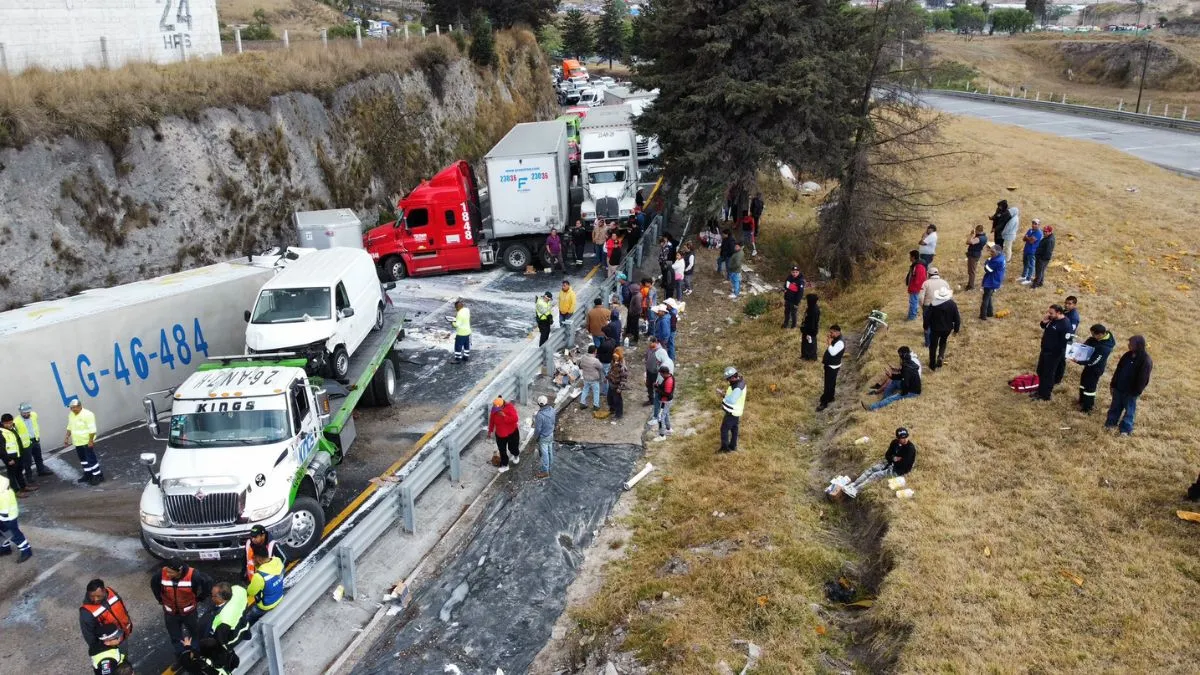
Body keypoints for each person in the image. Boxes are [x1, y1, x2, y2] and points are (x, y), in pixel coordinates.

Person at [152, 558, 214, 657]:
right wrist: (160, 599)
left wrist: (201, 597)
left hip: (189, 613)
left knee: (194, 634)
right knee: (175, 637)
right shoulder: (162, 573)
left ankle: (194, 654)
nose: (167, 574)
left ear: (179, 571)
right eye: (167, 571)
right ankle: (183, 656)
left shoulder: (194, 575)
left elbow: (208, 582)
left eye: (171, 573)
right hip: (170, 614)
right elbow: (154, 584)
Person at [841, 428, 917, 498]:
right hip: (890, 463)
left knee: (875, 475)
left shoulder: (910, 449)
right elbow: (887, 455)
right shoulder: (894, 443)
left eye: (906, 437)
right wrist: (894, 458)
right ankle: (854, 484)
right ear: (898, 438)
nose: (904, 439)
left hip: (898, 470)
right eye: (902, 438)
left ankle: (856, 490)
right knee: (871, 469)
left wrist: (894, 459)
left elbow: (903, 465)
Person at [1106, 335, 1152, 435]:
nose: (1128, 345)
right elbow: (1118, 370)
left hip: (1131, 392)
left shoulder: (1145, 360)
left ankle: (1125, 430)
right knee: (1115, 407)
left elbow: (1143, 379)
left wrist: (1136, 392)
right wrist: (1113, 384)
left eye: (1131, 344)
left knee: (1129, 412)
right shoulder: (1127, 355)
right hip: (1119, 388)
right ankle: (1110, 424)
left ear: (1138, 345)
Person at [80, 580, 134, 658]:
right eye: (92, 596)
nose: (95, 599)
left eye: (98, 596)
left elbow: (123, 610)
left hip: (122, 636)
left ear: (104, 591)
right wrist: (102, 648)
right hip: (109, 647)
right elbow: (89, 636)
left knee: (124, 658)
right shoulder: (86, 612)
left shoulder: (112, 593)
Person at [1074, 324, 1115, 413]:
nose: (1092, 336)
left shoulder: (1105, 348)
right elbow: (1089, 343)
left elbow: (1094, 361)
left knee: (1090, 387)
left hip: (1095, 369)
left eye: (1093, 335)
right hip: (1089, 366)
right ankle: (1082, 401)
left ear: (1100, 334)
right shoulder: (1097, 338)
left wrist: (1079, 361)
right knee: (1083, 382)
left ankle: (1087, 407)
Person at [1033, 304, 1072, 401]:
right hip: (1045, 350)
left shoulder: (1065, 325)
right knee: (1040, 371)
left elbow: (1066, 342)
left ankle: (1045, 395)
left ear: (1059, 313)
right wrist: (1044, 321)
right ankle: (1040, 390)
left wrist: (1056, 352)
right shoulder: (1052, 319)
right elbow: (1044, 326)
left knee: (1048, 374)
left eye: (1051, 313)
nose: (1048, 314)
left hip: (1054, 354)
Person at [66, 398, 103, 484]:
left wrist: (90, 441)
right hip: (78, 442)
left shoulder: (88, 414)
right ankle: (88, 474)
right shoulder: (71, 414)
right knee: (83, 460)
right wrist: (67, 437)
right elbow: (70, 426)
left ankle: (98, 476)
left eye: (74, 407)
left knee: (91, 459)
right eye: (71, 408)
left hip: (86, 442)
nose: (72, 409)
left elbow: (92, 430)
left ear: (80, 406)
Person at [245, 544, 284, 625]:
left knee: (247, 618)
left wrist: (257, 567)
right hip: (279, 597)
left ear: (258, 559)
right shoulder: (277, 560)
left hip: (266, 606)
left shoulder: (259, 576)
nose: (252, 560)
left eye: (253, 558)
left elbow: (251, 592)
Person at [923, 288, 960, 369]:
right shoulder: (952, 304)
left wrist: (925, 327)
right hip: (947, 328)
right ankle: (940, 356)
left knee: (933, 346)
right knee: (943, 342)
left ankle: (932, 364)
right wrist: (956, 330)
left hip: (935, 329)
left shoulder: (933, 304)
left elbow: (927, 317)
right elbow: (957, 318)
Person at [208, 582, 249, 652]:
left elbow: (221, 641)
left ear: (220, 599)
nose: (211, 598)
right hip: (244, 624)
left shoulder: (222, 619)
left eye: (213, 596)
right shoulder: (239, 589)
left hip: (234, 635)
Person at [0, 475, 33, 562]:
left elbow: (4, 511)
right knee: (3, 533)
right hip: (5, 517)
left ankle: (26, 550)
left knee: (14, 535)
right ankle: (5, 548)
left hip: (7, 518)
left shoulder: (3, 494)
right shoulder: (3, 488)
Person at [15, 402, 52, 481]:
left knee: (38, 457)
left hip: (35, 439)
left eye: (28, 412)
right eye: (24, 413)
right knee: (27, 461)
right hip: (25, 443)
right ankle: (29, 477)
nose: (26, 414)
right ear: (20, 412)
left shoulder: (34, 415)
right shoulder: (16, 421)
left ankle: (41, 471)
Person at [917, 266, 950, 347]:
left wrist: (922, 305)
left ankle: (928, 343)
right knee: (938, 324)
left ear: (929, 274)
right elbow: (948, 296)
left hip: (928, 306)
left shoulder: (926, 283)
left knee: (927, 325)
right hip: (941, 305)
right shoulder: (945, 283)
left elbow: (921, 297)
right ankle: (938, 342)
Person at [487, 396, 521, 473]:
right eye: (495, 409)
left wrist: (504, 416)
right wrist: (490, 431)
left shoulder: (509, 407)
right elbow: (492, 420)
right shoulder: (494, 409)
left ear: (502, 405)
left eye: (498, 409)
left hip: (512, 433)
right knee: (502, 451)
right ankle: (505, 465)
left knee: (513, 448)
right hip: (500, 435)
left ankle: (516, 456)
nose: (497, 411)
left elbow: (515, 419)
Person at [0, 415, 31, 496]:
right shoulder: (1, 433)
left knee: (19, 472)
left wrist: (21, 453)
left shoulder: (12, 428)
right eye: (7, 423)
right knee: (12, 475)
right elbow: (1, 449)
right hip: (10, 458)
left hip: (18, 455)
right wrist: (8, 460)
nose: (10, 424)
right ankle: (16, 491)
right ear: (3, 423)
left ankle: (23, 487)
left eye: (11, 422)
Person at [717, 366, 747, 453]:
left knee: (724, 429)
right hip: (737, 411)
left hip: (732, 412)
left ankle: (725, 449)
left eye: (728, 379)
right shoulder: (740, 381)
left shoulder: (737, 387)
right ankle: (733, 446)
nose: (728, 381)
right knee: (734, 428)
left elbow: (732, 400)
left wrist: (723, 395)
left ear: (732, 377)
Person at [818, 325, 845, 412]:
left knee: (828, 384)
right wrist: (830, 341)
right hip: (831, 365)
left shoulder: (840, 342)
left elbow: (833, 352)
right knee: (832, 383)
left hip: (832, 366)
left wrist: (829, 343)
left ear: (838, 332)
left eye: (832, 332)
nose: (830, 334)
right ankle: (831, 397)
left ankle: (824, 403)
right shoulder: (837, 339)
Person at [980, 243, 1005, 321]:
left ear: (998, 252)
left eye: (993, 252)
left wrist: (987, 261)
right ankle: (989, 313)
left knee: (986, 298)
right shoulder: (1001, 257)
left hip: (991, 281)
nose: (991, 253)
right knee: (989, 296)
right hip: (995, 280)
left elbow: (987, 269)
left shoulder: (997, 260)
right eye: (991, 251)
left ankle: (983, 315)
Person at [534, 395, 556, 479]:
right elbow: (554, 421)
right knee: (550, 451)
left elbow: (538, 429)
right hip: (551, 434)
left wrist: (536, 438)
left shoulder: (540, 415)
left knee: (544, 454)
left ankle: (545, 471)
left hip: (544, 437)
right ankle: (550, 466)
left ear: (539, 404)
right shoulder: (552, 410)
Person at [578, 345, 604, 413]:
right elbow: (601, 367)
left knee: (585, 390)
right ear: (594, 351)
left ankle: (582, 403)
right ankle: (596, 405)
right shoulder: (595, 360)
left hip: (586, 378)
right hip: (594, 379)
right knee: (596, 391)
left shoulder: (583, 357)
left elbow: (580, 365)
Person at [653, 365, 675, 440]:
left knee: (660, 417)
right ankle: (668, 429)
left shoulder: (669, 381)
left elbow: (667, 393)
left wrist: (657, 389)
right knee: (666, 414)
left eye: (661, 374)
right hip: (666, 401)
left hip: (665, 401)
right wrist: (658, 386)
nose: (661, 375)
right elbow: (664, 389)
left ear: (664, 373)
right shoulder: (669, 377)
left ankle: (662, 436)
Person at [1031, 224, 1056, 289]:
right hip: (1041, 258)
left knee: (1039, 272)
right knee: (1041, 271)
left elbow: (1048, 252)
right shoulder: (1047, 237)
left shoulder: (1049, 240)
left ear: (1050, 232)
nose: (1044, 232)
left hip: (1042, 259)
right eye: (1044, 231)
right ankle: (1040, 283)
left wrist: (1041, 259)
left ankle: (1035, 285)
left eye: (1046, 231)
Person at [1019, 219, 1043, 284]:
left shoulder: (1039, 233)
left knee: (1031, 265)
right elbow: (1024, 239)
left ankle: (1028, 278)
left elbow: (1032, 241)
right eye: (1033, 223)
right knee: (1025, 263)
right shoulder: (1030, 230)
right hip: (1026, 249)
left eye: (1035, 224)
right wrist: (1029, 238)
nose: (1033, 225)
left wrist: (1028, 237)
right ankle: (1024, 276)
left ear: (1038, 225)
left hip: (1032, 251)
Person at [905, 250, 927, 321]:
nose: (909, 258)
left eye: (910, 256)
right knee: (913, 302)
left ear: (913, 257)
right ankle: (912, 315)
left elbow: (920, 278)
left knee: (913, 302)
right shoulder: (916, 265)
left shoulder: (919, 266)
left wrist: (915, 286)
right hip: (914, 287)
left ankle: (912, 317)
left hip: (915, 288)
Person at [607, 347, 628, 421]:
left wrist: (620, 388)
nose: (614, 355)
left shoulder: (622, 367)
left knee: (617, 400)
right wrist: (607, 377)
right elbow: (611, 371)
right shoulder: (613, 362)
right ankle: (612, 409)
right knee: (609, 398)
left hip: (617, 386)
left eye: (616, 354)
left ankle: (619, 414)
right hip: (611, 383)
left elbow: (624, 379)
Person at [964, 225, 987, 291]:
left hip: (973, 255)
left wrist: (971, 235)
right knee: (972, 270)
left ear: (977, 230)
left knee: (971, 271)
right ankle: (970, 284)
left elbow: (968, 242)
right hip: (976, 254)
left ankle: (971, 286)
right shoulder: (984, 237)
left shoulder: (978, 238)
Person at [801, 294, 821, 361]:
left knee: (810, 344)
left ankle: (810, 357)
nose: (807, 301)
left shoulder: (814, 310)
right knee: (805, 343)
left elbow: (812, 324)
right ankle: (804, 355)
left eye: (807, 300)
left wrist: (808, 332)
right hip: (807, 330)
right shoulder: (811, 307)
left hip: (810, 331)